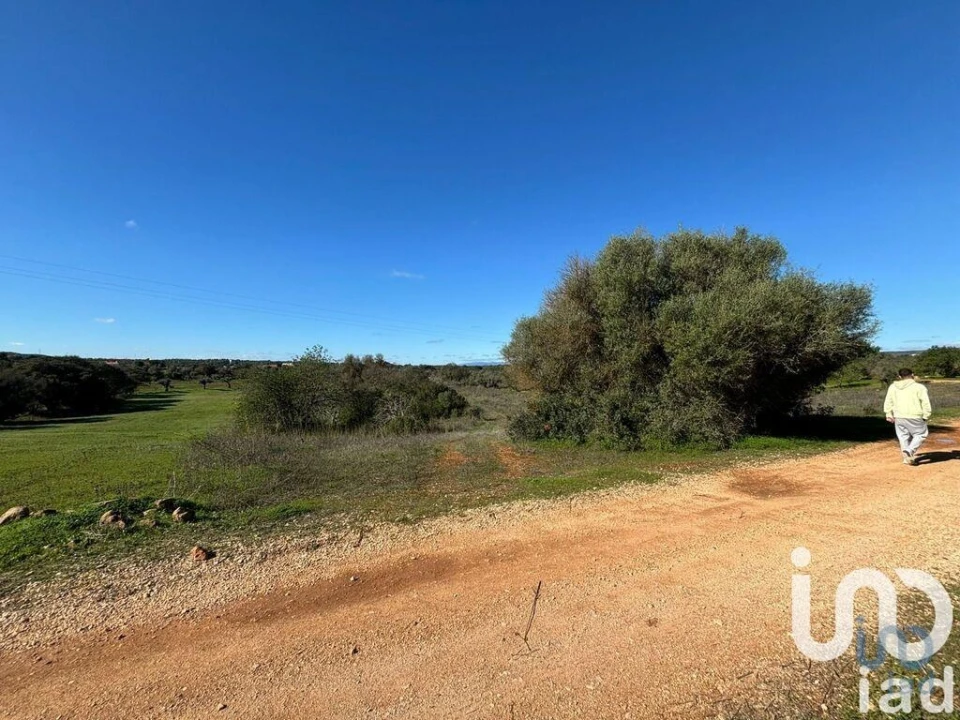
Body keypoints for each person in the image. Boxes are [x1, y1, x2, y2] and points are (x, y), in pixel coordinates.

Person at [883, 368, 932, 465]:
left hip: (899, 416)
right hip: (915, 415)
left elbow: (888, 401)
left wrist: (888, 413)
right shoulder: (919, 387)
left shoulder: (893, 387)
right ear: (912, 375)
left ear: (900, 377)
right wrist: (926, 415)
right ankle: (910, 450)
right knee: (921, 434)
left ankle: (907, 459)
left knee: (903, 437)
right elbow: (925, 402)